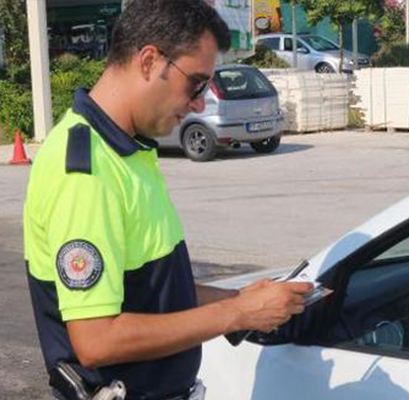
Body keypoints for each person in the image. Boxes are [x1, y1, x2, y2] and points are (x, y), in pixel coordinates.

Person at [23, 1, 313, 399]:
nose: (198, 104)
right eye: (195, 84)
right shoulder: (86, 172)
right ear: (148, 61)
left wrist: (240, 299)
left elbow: (153, 292)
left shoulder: (130, 151)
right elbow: (96, 341)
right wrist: (236, 314)